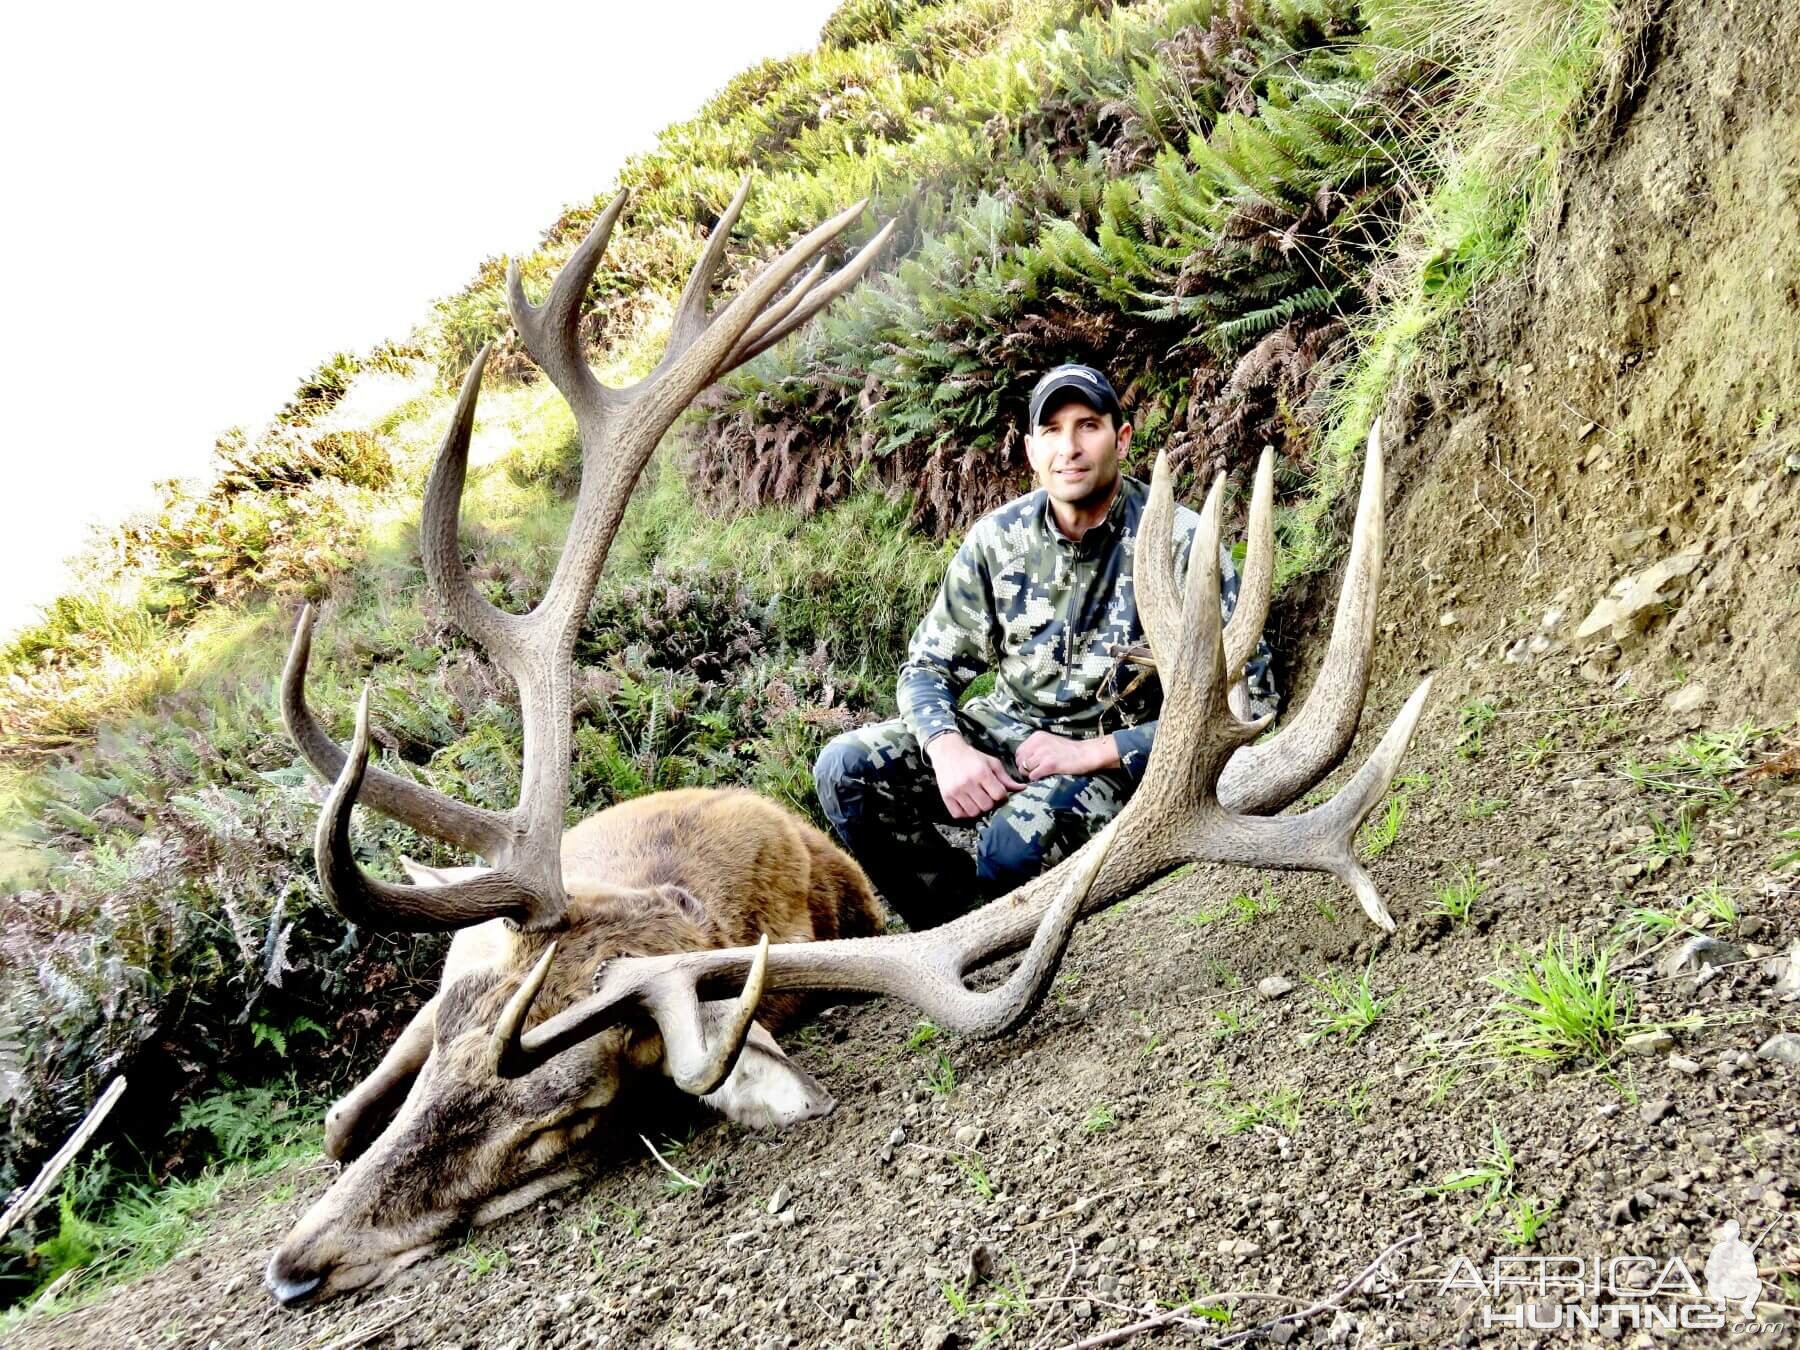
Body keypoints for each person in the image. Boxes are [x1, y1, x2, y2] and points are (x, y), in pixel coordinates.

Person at [814, 364, 1278, 931]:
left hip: (1112, 765)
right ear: (1032, 450)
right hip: (1006, 733)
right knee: (846, 768)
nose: (1071, 448)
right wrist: (946, 746)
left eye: (1088, 426)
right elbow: (926, 667)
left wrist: (1099, 751)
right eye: (1053, 432)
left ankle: (997, 923)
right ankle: (953, 929)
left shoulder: (1182, 544)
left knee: (1014, 850)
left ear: (1122, 438)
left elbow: (1242, 706)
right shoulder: (996, 540)